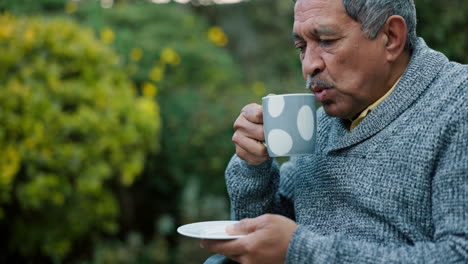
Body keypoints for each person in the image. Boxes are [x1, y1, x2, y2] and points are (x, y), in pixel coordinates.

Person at [201, 0, 468, 263]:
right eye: (301, 47)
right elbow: (267, 232)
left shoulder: (457, 105)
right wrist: (253, 167)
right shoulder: (322, 124)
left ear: (390, 37)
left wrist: (300, 252)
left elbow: (458, 254)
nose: (308, 65)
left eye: (326, 41)